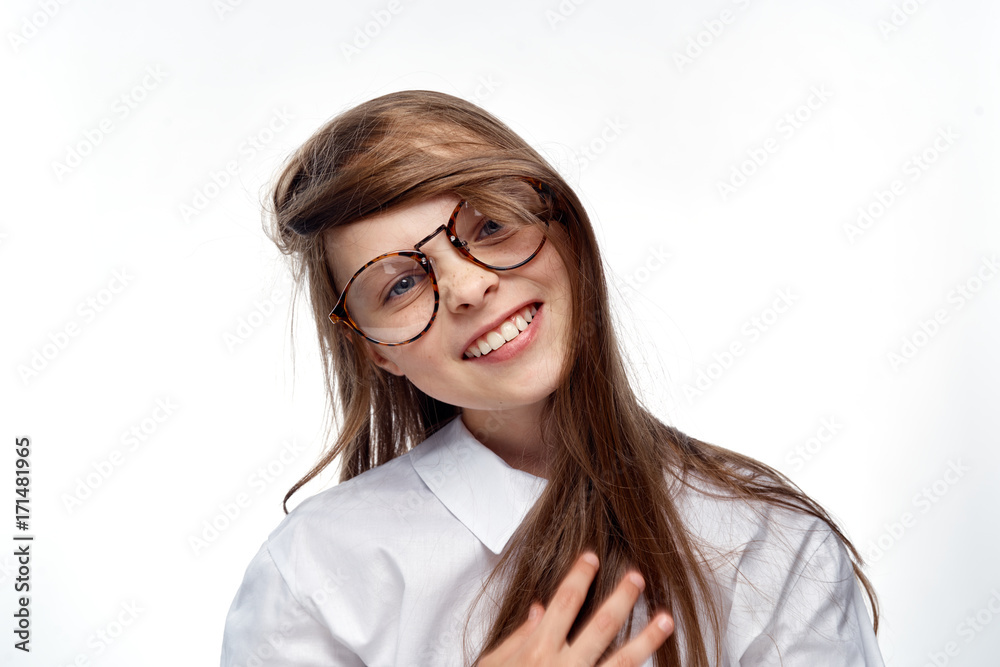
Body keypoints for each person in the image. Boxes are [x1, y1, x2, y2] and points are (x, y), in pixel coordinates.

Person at [220, 90, 883, 666]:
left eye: (490, 225)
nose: (469, 286)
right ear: (377, 351)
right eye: (399, 284)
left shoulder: (766, 542)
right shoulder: (314, 571)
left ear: (562, 223)